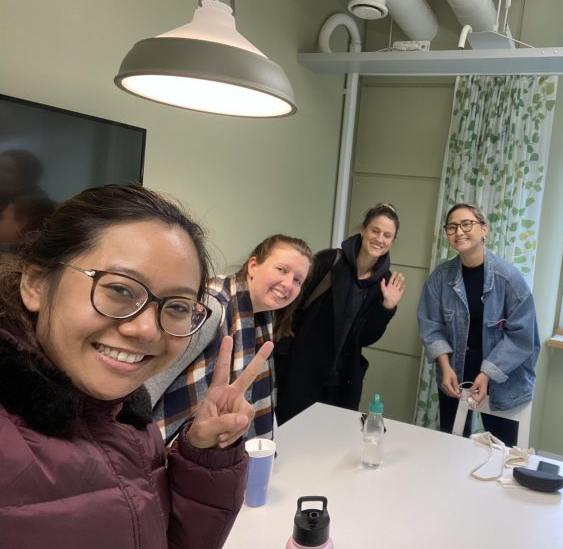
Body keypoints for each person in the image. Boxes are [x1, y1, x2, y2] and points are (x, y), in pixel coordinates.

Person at [0, 184, 272, 549]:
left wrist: (204, 455)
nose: (146, 330)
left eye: (177, 306)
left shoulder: (128, 422)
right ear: (36, 283)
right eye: (120, 290)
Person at [150, 234, 312, 443]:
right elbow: (154, 378)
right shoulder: (212, 307)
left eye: (298, 280)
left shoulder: (262, 316)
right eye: (281, 269)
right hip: (161, 442)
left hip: (204, 447)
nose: (288, 284)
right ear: (253, 266)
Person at [417, 203, 539, 446]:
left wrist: (487, 374)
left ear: (484, 229)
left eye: (466, 224)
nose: (459, 232)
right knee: (452, 446)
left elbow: (522, 337)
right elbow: (431, 325)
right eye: (452, 227)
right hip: (455, 374)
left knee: (502, 450)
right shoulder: (440, 278)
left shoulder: (509, 279)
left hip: (503, 378)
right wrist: (445, 366)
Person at [274, 203, 406, 424]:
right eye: (375, 230)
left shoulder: (384, 282)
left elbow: (365, 338)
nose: (379, 239)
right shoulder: (329, 261)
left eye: (387, 235)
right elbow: (293, 308)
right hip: (302, 371)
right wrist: (283, 358)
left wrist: (387, 307)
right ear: (363, 230)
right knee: (291, 432)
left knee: (332, 438)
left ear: (393, 241)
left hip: (342, 381)